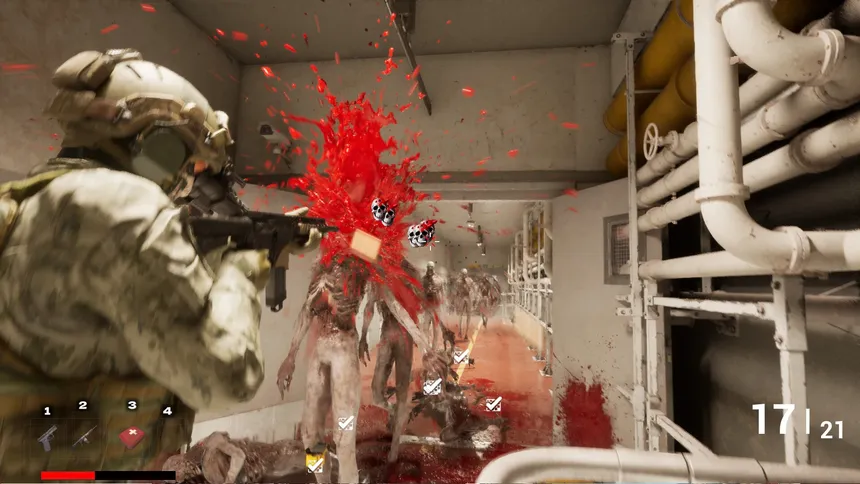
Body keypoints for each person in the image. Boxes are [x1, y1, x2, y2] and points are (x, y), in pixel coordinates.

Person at [0, 49, 321, 480]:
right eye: (186, 158)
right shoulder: (121, 206)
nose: (186, 177)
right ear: (158, 145)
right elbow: (227, 375)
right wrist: (243, 272)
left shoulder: (29, 201)